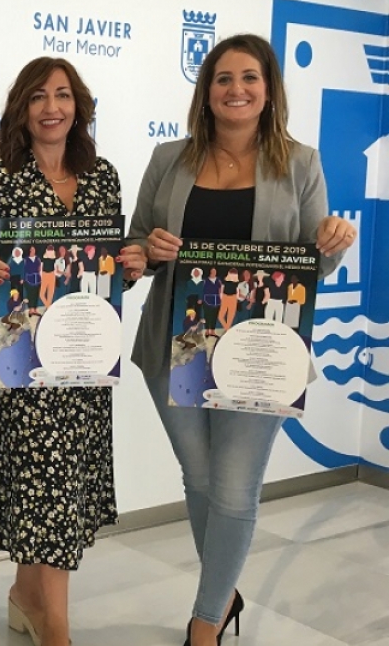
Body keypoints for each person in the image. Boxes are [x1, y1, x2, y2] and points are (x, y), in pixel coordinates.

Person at [127, 34, 356, 646]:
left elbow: (311, 264)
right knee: (200, 480)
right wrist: (146, 250)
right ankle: (223, 594)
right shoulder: (169, 158)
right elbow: (135, 248)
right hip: (174, 343)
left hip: (262, 349)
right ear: (206, 91)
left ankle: (205, 621)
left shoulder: (301, 163)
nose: (236, 89)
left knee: (232, 487)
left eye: (250, 77)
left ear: (269, 89)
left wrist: (332, 244)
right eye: (223, 78)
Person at [0, 56, 145, 646]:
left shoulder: (104, 177)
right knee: (40, 481)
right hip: (22, 353)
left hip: (86, 354)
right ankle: (57, 628)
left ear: (78, 106)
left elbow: (111, 269)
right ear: (22, 108)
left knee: (62, 483)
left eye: (63, 95)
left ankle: (25, 595)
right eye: (39, 96)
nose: (52, 107)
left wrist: (131, 266)